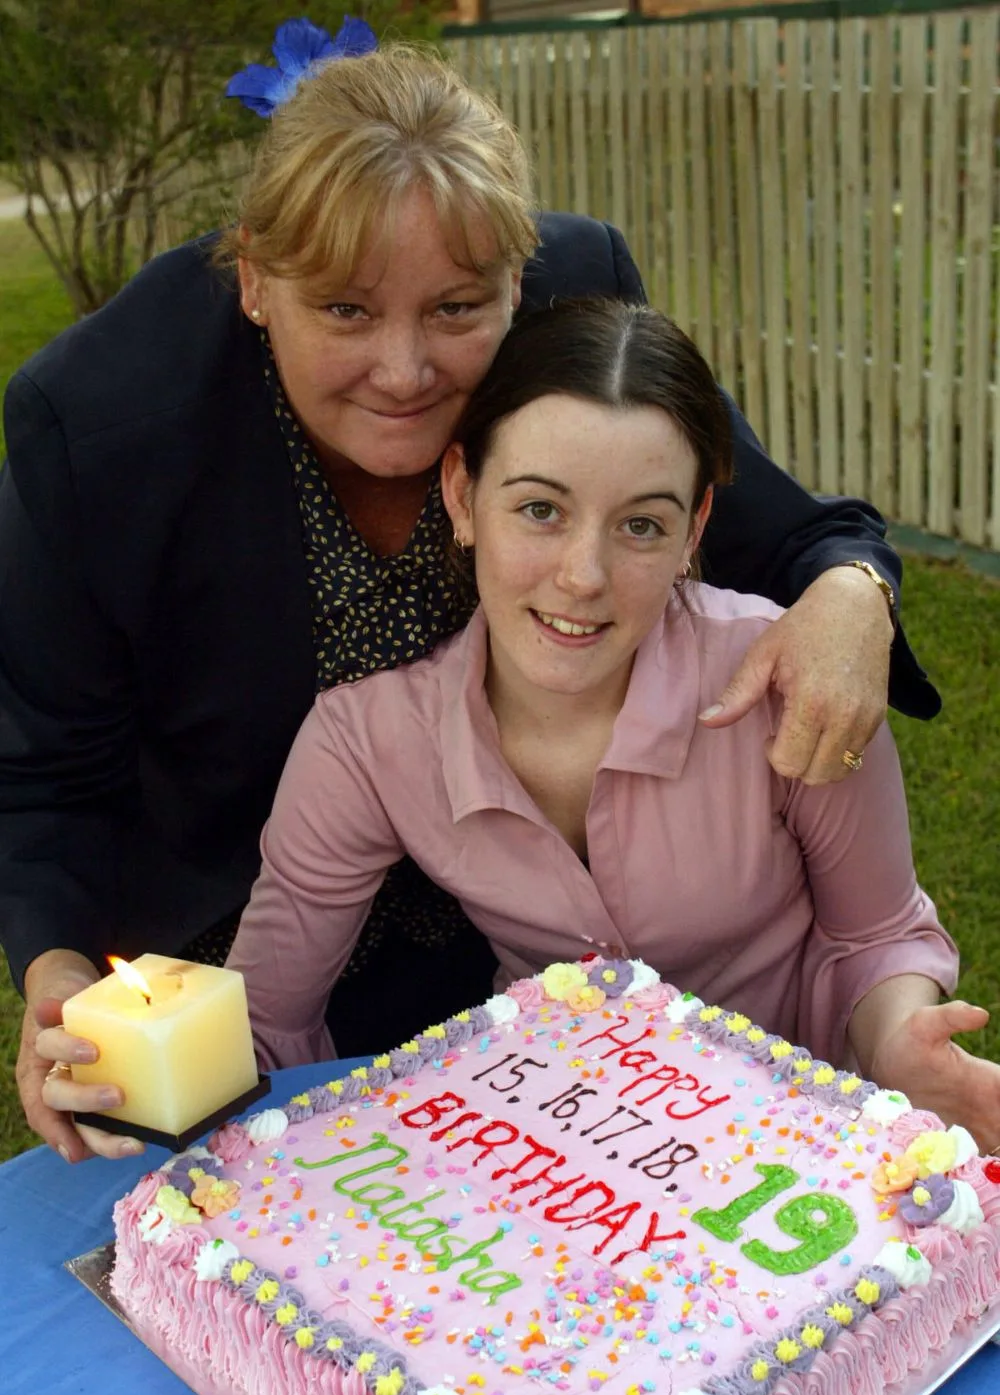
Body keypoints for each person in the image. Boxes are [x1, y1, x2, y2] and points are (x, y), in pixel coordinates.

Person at [6, 28, 938, 1165]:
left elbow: (755, 519)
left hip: (519, 952)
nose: (404, 373)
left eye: (456, 311)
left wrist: (849, 594)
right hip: (256, 894)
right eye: (345, 311)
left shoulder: (568, 304)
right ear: (253, 279)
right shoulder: (105, 426)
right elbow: (47, 766)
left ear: (520, 281)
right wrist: (61, 970)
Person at [220, 297, 998, 1149]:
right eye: (540, 510)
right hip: (559, 1179)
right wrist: (154, 1066)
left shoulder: (794, 682)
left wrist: (895, 1043)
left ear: (694, 528)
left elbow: (875, 935)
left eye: (640, 525)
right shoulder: (367, 743)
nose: (583, 575)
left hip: (805, 1169)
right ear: (462, 495)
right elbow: (264, 1018)